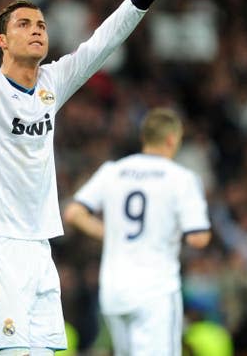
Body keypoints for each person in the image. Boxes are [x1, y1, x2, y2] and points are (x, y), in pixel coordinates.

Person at [0, 0, 174, 355]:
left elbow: (102, 43)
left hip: (38, 245)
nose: (37, 29)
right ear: (0, 40)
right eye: (24, 24)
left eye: (41, 24)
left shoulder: (51, 83)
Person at [63, 108, 212, 356]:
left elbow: (74, 213)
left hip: (114, 292)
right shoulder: (181, 178)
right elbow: (198, 238)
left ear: (144, 137)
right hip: (155, 291)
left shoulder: (113, 171)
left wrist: (110, 233)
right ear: (172, 139)